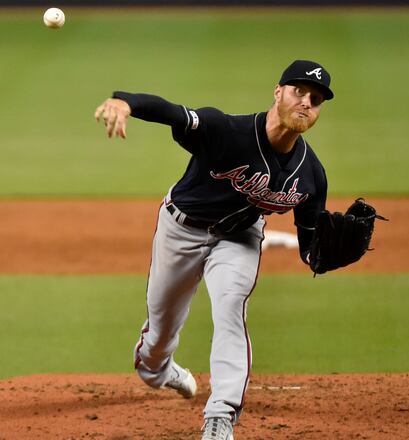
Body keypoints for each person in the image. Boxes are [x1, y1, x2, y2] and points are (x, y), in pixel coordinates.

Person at [94, 60, 334, 440]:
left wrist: (325, 256)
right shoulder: (227, 130)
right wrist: (125, 103)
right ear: (278, 92)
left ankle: (220, 415)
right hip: (180, 229)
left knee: (231, 306)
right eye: (298, 92)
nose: (306, 102)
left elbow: (311, 244)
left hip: (239, 237)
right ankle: (160, 370)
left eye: (316, 99)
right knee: (158, 334)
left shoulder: (311, 173)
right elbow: (172, 113)